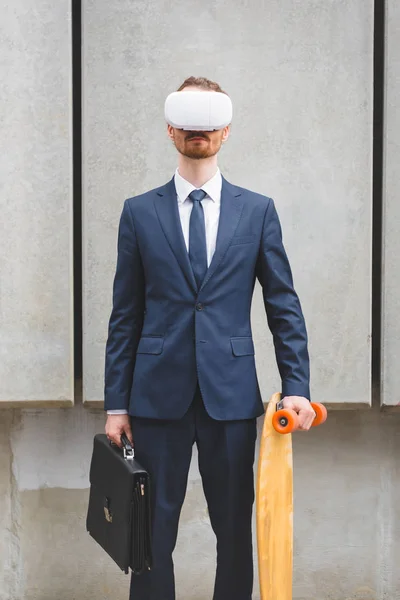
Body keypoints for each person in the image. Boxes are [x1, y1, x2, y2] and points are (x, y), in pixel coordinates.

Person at [104, 76, 315, 600]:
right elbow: (124, 315)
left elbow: (282, 304)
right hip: (156, 398)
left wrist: (298, 386)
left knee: (234, 534)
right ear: (171, 128)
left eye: (208, 122)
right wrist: (115, 405)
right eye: (188, 122)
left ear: (225, 130)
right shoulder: (139, 211)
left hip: (231, 396)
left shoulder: (257, 210)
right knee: (151, 533)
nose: (198, 131)